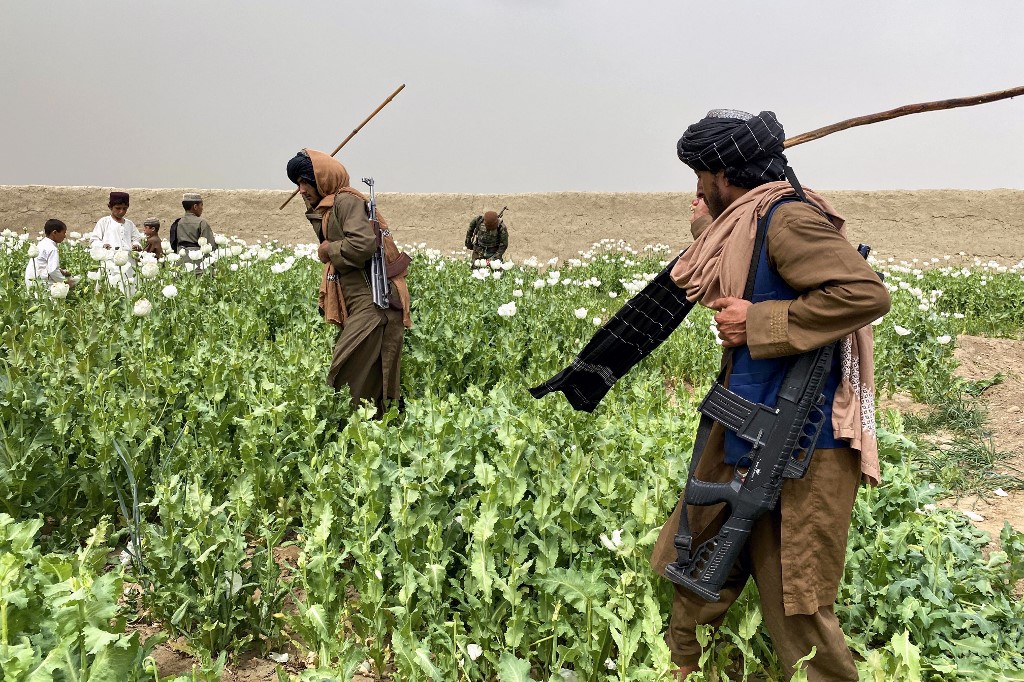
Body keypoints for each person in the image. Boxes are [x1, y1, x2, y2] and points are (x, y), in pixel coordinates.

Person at [650, 109, 891, 681]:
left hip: (803, 444)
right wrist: (707, 220)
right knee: (703, 566)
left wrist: (760, 322)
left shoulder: (787, 220)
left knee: (797, 606)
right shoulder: (753, 216)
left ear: (725, 174)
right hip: (749, 430)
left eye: (701, 176)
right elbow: (734, 256)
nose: (696, 187)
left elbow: (865, 293)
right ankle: (680, 668)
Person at [285, 148, 412, 412]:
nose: (301, 190)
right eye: (298, 184)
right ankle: (373, 433)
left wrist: (327, 250)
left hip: (374, 302)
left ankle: (355, 429)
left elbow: (363, 244)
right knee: (368, 374)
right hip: (360, 303)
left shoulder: (345, 201)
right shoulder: (332, 206)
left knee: (344, 371)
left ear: (321, 179)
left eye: (304, 182)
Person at [90, 191, 141, 293]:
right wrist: (102, 245)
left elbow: (136, 239)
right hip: (110, 261)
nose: (121, 211)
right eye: (118, 208)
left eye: (124, 209)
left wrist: (136, 245)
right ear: (110, 207)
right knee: (111, 286)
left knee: (129, 288)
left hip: (128, 262)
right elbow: (94, 240)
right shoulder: (104, 222)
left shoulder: (130, 224)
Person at [25, 218, 76, 291]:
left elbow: (43, 264)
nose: (64, 236)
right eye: (63, 233)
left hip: (31, 281)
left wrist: (61, 271)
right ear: (54, 233)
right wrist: (65, 283)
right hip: (40, 284)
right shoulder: (52, 249)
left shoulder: (42, 243)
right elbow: (53, 270)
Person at [170, 193, 215, 258]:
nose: (202, 208)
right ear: (195, 207)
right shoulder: (201, 222)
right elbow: (210, 245)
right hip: (198, 261)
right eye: (201, 205)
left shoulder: (177, 223)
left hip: (181, 260)